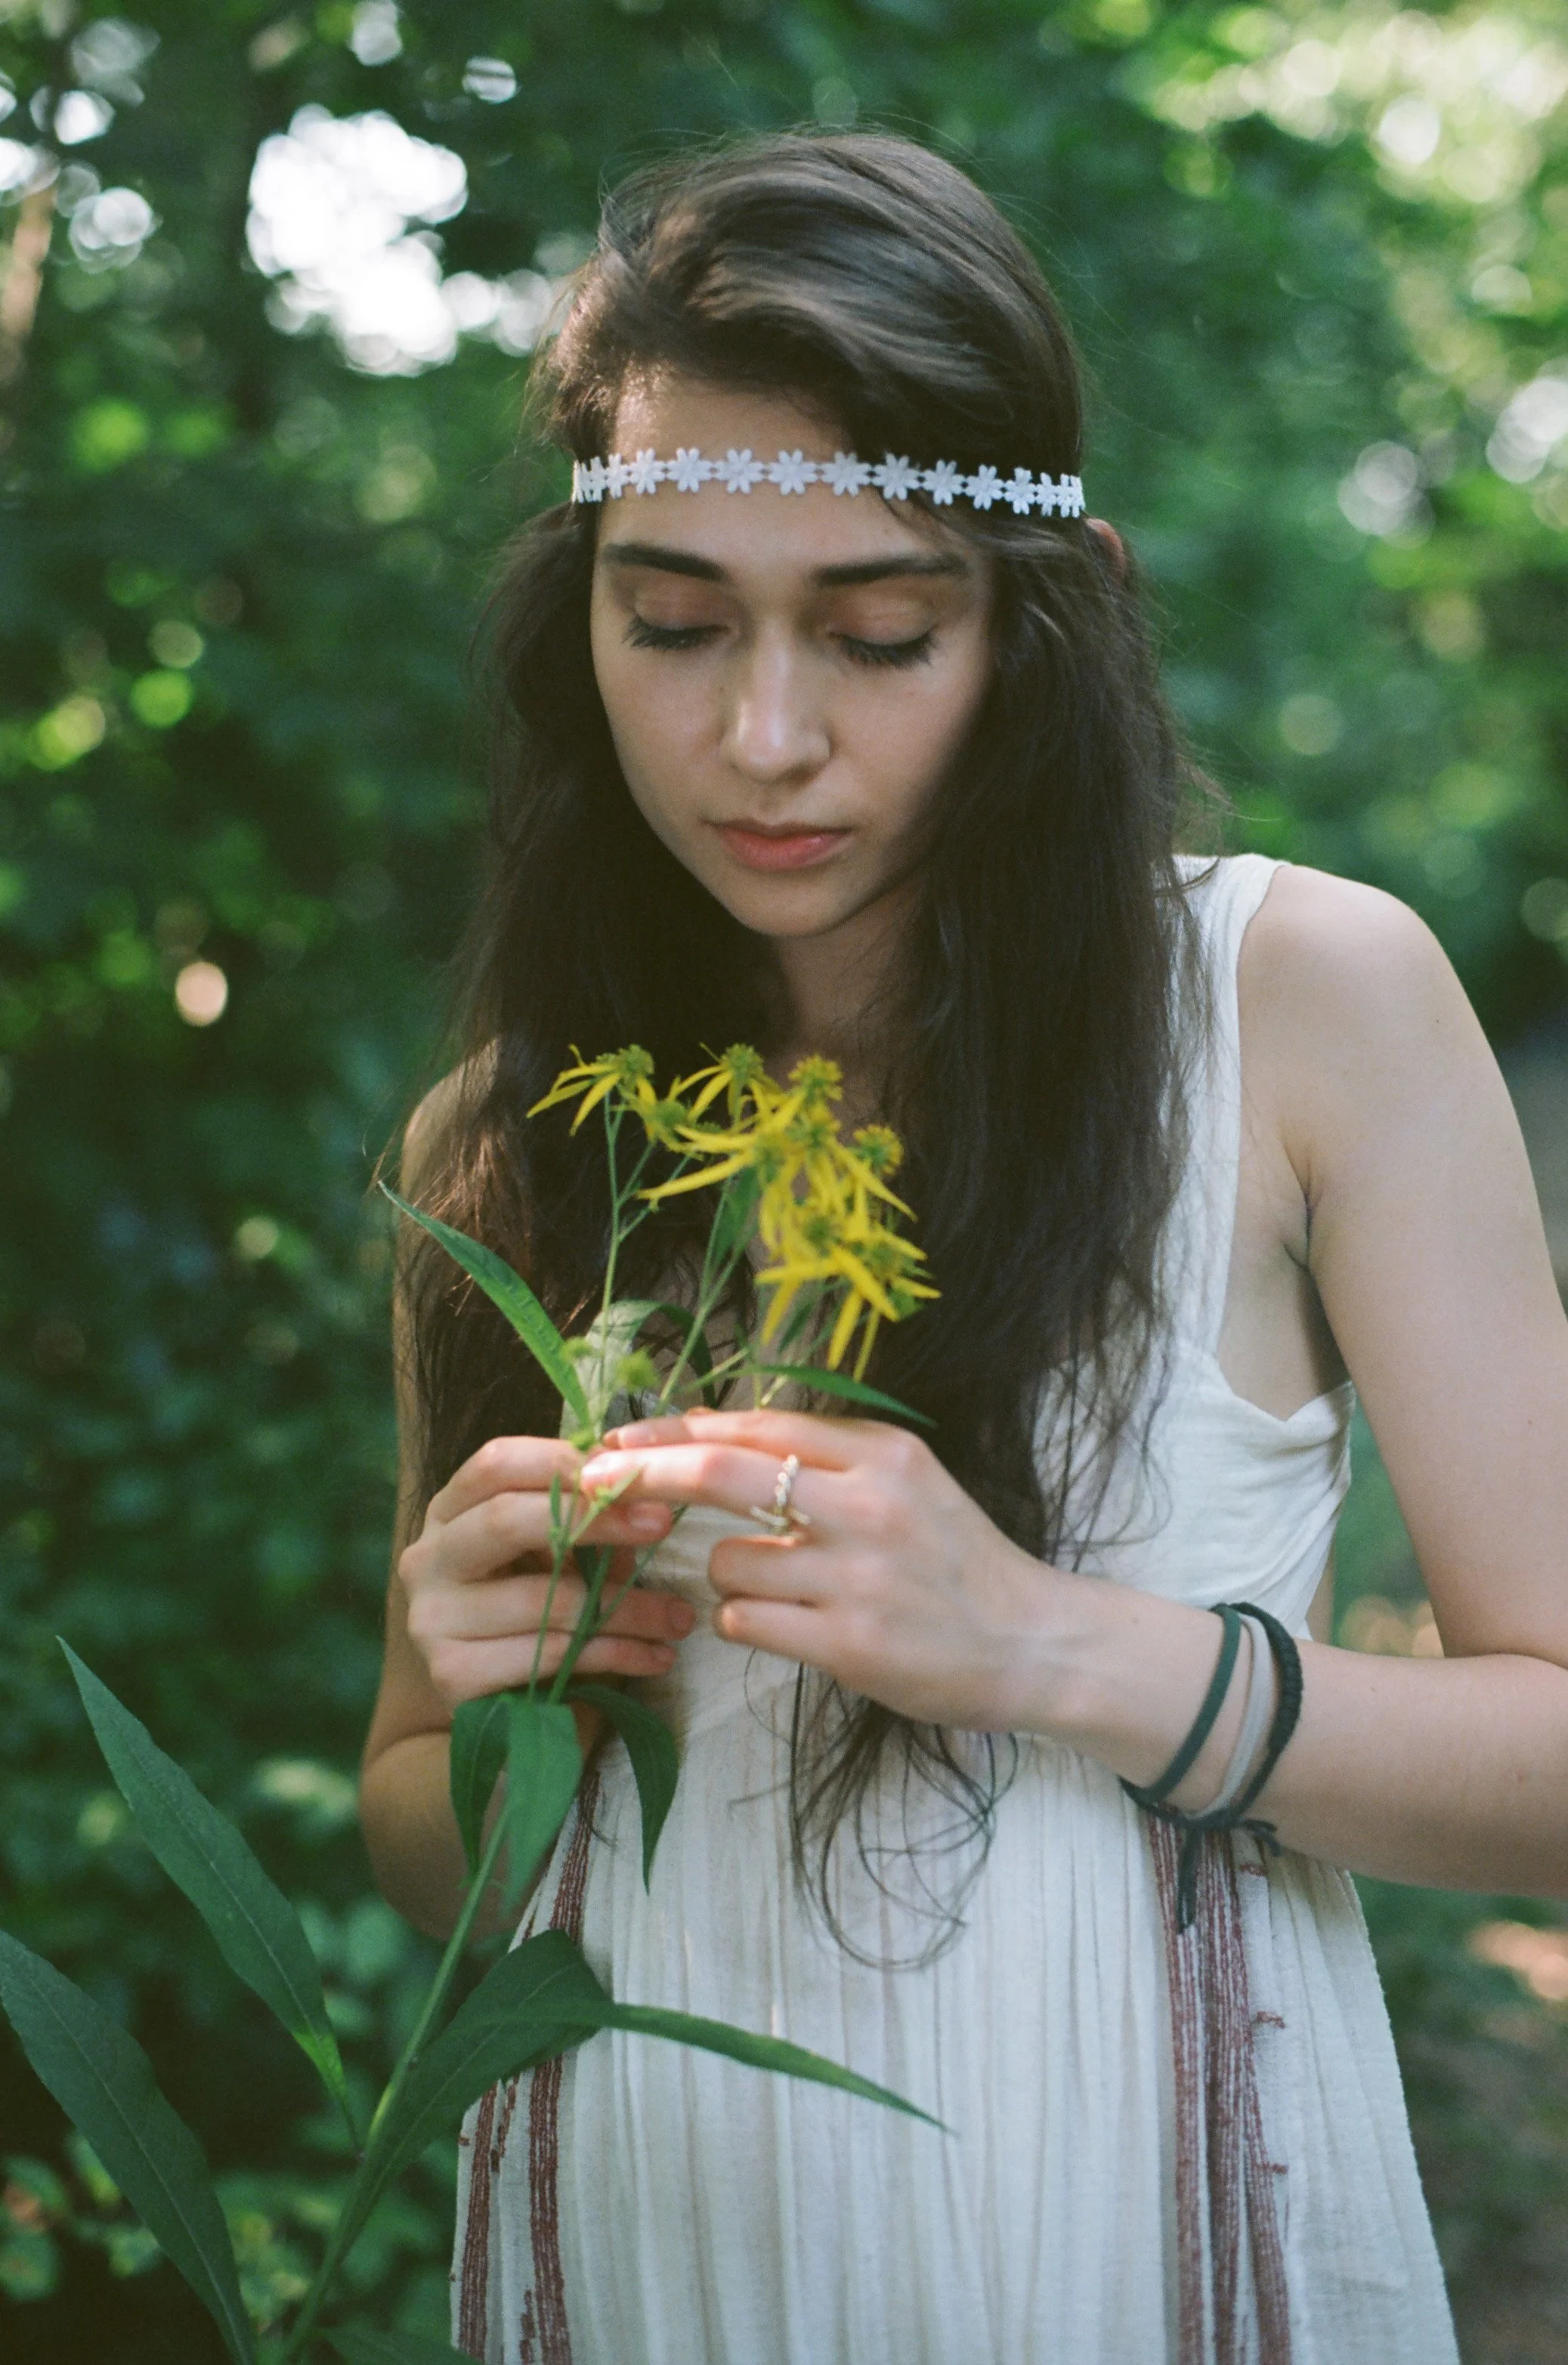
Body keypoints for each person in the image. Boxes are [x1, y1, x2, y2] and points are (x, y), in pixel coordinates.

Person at [359, 131, 1568, 2365]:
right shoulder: (512, 1147)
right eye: (678, 624)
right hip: (648, 2259)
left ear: (1039, 616)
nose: (766, 735)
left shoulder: (1300, 1004)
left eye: (882, 631)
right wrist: (481, 1708)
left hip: (1144, 2239)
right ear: (581, 622)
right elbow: (441, 1863)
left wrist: (1038, 1645)